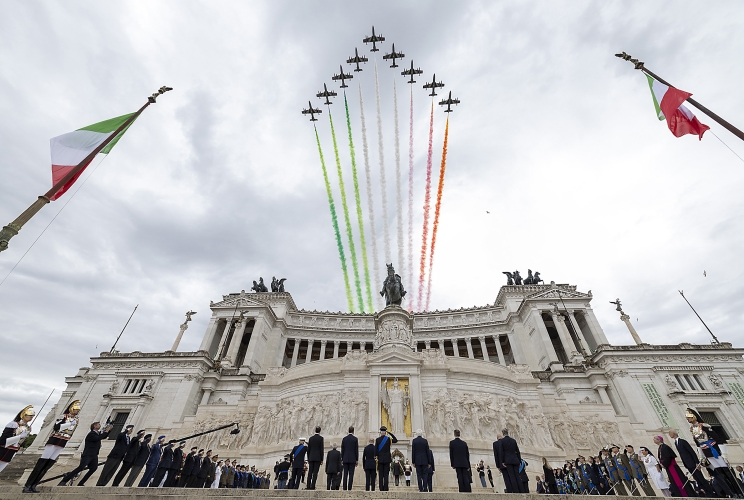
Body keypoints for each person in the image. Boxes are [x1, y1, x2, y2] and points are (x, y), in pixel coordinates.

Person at [23, 400, 81, 493]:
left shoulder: (76, 419)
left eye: (78, 410)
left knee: (48, 464)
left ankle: (34, 485)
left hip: (63, 441)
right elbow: (56, 427)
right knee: (42, 462)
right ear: (71, 409)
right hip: (54, 440)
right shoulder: (63, 416)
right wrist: (70, 423)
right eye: (76, 409)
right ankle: (28, 485)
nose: (77, 411)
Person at [686, 408, 742, 497]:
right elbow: (698, 444)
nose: (687, 419)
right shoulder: (692, 429)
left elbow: (718, 439)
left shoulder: (704, 426)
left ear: (694, 417)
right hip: (707, 453)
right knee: (719, 474)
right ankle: (731, 492)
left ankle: (739, 492)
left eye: (688, 417)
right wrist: (701, 456)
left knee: (727, 472)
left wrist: (724, 453)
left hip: (715, 451)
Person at [57, 421, 113, 486]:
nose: (100, 425)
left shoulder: (97, 434)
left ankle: (81, 483)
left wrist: (109, 431)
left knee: (93, 468)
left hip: (94, 455)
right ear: (94, 426)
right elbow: (98, 438)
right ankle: (64, 481)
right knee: (81, 467)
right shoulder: (91, 434)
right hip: (88, 454)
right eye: (98, 424)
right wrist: (106, 431)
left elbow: (103, 437)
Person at [668, 429, 712, 495]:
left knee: (701, 478)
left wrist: (697, 462)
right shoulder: (676, 443)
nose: (669, 434)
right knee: (697, 479)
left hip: (692, 463)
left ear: (674, 433)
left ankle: (710, 492)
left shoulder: (683, 441)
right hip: (687, 464)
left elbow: (691, 452)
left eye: (670, 433)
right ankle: (704, 492)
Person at [0, 405, 34, 474]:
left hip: (13, 450)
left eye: (32, 416)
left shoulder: (27, 427)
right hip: (4, 448)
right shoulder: (13, 424)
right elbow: (3, 440)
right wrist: (20, 436)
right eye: (29, 415)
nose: (31, 418)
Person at [498, 428, 524, 493]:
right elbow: (517, 451)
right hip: (515, 460)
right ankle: (521, 490)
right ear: (508, 432)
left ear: (503, 433)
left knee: (511, 476)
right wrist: (519, 461)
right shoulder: (513, 440)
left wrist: (502, 462)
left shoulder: (502, 441)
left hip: (508, 461)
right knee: (517, 476)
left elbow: (501, 452)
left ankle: (515, 491)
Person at [375, 425, 398, 491]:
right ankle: (386, 488)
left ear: (380, 432)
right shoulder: (388, 439)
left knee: (381, 474)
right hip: (387, 459)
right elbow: (396, 440)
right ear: (385, 432)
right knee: (386, 474)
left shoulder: (377, 440)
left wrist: (376, 457)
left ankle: (381, 488)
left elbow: (376, 450)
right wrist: (390, 433)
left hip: (380, 459)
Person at [341, 426, 358, 491]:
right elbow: (356, 450)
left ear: (348, 431)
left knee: (345, 474)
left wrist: (342, 458)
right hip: (352, 459)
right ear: (353, 431)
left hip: (345, 458)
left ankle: (344, 488)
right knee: (351, 474)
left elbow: (343, 450)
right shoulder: (355, 439)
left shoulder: (344, 439)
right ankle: (349, 487)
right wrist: (356, 459)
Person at [306, 426, 324, 490]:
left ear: (315, 430)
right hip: (317, 458)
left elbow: (308, 449)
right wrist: (322, 459)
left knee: (310, 472)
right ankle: (313, 486)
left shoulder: (311, 438)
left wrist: (308, 458)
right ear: (320, 431)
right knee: (315, 473)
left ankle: (308, 486)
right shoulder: (321, 438)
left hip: (311, 457)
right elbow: (321, 449)